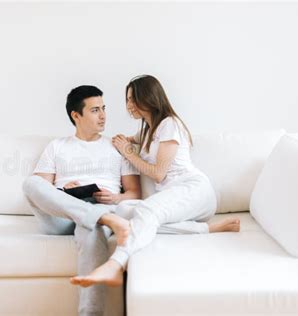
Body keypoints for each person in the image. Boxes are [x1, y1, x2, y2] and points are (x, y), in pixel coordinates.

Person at [70, 75, 240, 288]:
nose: (128, 105)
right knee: (122, 211)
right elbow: (128, 140)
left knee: (146, 212)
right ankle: (206, 229)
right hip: (174, 202)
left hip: (193, 190)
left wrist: (128, 152)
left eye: (133, 99)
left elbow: (158, 173)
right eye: (127, 100)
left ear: (148, 98)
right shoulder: (148, 130)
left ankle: (115, 264)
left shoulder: (170, 124)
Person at [22, 85, 141, 316]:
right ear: (76, 115)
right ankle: (105, 218)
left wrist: (115, 197)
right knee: (30, 183)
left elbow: (134, 194)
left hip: (101, 209)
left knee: (93, 226)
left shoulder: (117, 147)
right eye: (95, 110)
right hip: (63, 216)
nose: (104, 115)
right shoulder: (57, 146)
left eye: (104, 108)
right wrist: (62, 189)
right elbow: (40, 189)